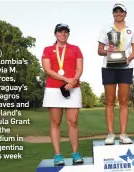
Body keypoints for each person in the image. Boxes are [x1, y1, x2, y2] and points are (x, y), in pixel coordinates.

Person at [97, 3, 134, 145]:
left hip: (126, 67)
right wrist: (109, 50)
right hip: (109, 66)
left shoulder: (132, 29)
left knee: (124, 101)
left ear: (125, 14)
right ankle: (110, 134)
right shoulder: (106, 28)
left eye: (121, 11)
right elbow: (99, 50)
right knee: (109, 101)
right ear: (113, 14)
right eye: (116, 11)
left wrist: (127, 59)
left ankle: (123, 134)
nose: (118, 14)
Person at [41, 23, 84, 165]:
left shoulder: (75, 49)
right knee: (55, 122)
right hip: (54, 89)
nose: (63, 34)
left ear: (68, 34)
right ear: (55, 34)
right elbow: (48, 69)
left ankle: (75, 153)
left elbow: (79, 68)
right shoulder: (48, 50)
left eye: (66, 32)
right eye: (60, 32)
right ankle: (58, 155)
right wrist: (66, 79)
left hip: (73, 88)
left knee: (73, 122)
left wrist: (73, 82)